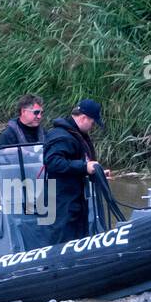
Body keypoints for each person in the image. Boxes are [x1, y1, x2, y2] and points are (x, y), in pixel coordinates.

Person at [42, 99, 108, 245]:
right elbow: (52, 162)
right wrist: (84, 167)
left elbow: (79, 163)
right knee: (62, 238)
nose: (92, 127)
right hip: (61, 200)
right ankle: (55, 265)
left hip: (75, 199)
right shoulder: (61, 136)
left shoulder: (75, 135)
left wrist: (95, 171)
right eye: (92, 123)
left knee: (78, 238)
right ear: (83, 117)